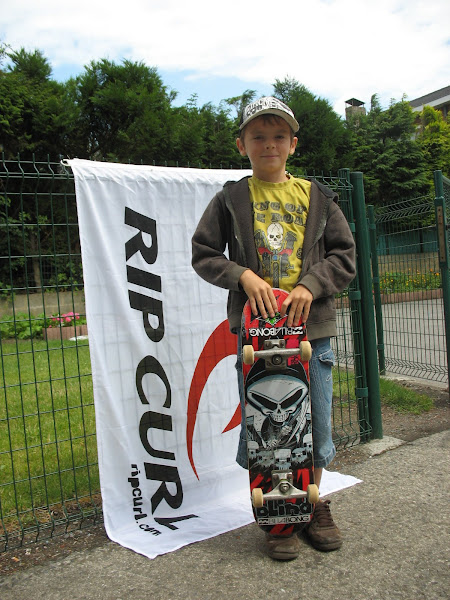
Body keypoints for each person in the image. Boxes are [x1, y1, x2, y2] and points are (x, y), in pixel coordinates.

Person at [191, 96, 356, 560]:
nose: (269, 144)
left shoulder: (318, 198)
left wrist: (311, 284)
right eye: (258, 136)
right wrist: (242, 275)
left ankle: (312, 502)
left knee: (314, 424)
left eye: (278, 136)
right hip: (256, 337)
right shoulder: (230, 198)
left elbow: (344, 257)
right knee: (266, 425)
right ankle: (277, 512)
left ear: (293, 144)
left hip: (310, 333)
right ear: (241, 144)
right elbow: (204, 253)